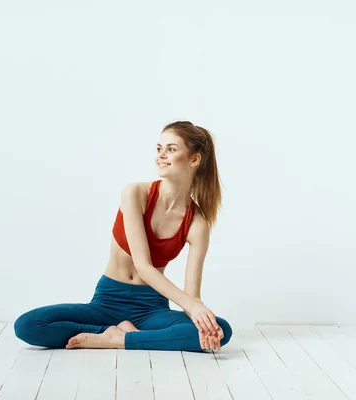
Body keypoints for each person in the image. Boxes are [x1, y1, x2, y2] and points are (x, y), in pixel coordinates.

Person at [14, 121, 232, 352]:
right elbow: (143, 265)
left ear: (194, 160)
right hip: (108, 301)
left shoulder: (197, 224)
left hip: (152, 308)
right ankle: (113, 333)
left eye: (171, 149)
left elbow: (192, 297)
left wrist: (201, 316)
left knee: (222, 330)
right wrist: (193, 307)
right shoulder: (135, 193)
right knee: (28, 325)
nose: (161, 156)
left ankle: (119, 339)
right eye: (159, 148)